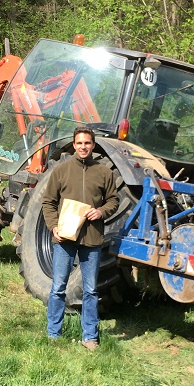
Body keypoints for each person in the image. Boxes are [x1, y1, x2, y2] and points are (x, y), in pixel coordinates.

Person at [41, 126, 118, 351]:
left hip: (92, 239)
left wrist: (101, 211)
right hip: (64, 238)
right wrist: (53, 226)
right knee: (58, 287)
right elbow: (48, 202)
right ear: (74, 145)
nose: (83, 147)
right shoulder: (61, 170)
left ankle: (90, 337)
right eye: (79, 143)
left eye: (87, 143)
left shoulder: (104, 172)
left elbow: (113, 200)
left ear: (93, 145)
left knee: (91, 290)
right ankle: (53, 333)